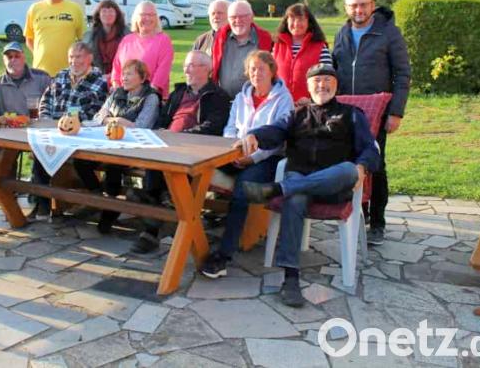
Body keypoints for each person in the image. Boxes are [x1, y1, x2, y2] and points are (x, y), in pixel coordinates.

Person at [238, 64, 380, 307]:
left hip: (334, 184)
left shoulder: (352, 114)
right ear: (308, 86)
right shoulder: (296, 114)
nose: (322, 85)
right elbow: (275, 131)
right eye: (316, 81)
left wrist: (362, 166)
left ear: (336, 85)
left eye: (327, 80)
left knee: (347, 169)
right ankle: (290, 280)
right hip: (298, 178)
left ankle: (278, 189)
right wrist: (255, 135)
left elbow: (370, 149)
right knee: (295, 198)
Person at [200, 51, 294, 278]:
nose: (256, 73)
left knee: (241, 192)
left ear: (272, 71)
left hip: (267, 158)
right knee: (197, 168)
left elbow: (277, 138)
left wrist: (251, 157)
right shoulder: (242, 97)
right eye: (252, 69)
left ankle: (223, 255)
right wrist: (232, 152)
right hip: (234, 152)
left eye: (262, 68)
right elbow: (230, 128)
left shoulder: (283, 99)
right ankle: (191, 230)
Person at [129, 50, 230, 254]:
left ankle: (151, 223)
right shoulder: (178, 93)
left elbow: (212, 127)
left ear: (206, 69)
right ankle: (161, 203)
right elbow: (163, 120)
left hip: (194, 151)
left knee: (160, 166)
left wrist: (179, 136)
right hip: (167, 146)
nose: (186, 70)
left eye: (191, 65)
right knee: (154, 160)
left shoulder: (217, 96)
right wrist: (160, 132)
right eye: (185, 66)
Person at [332, 0, 411, 246]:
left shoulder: (388, 33)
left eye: (363, 5)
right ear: (346, 8)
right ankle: (358, 217)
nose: (359, 10)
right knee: (351, 164)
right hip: (349, 114)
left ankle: (377, 222)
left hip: (377, 113)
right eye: (353, 6)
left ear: (372, 5)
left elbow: (402, 74)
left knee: (376, 166)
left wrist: (396, 112)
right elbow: (335, 72)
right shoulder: (342, 34)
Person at [78, 59, 160, 233]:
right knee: (80, 160)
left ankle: (109, 211)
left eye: (129, 74)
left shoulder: (150, 97)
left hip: (135, 147)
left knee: (113, 167)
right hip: (108, 142)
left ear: (142, 77)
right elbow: (98, 117)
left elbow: (142, 126)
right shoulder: (116, 93)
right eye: (123, 74)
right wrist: (117, 120)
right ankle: (98, 197)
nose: (124, 77)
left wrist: (116, 120)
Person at [32, 41, 108, 218]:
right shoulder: (61, 75)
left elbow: (95, 112)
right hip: (53, 129)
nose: (74, 61)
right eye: (71, 57)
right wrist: (46, 118)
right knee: (38, 150)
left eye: (79, 57)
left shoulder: (98, 80)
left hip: (80, 134)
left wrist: (70, 122)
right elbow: (46, 99)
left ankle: (93, 196)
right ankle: (42, 203)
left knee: (79, 159)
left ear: (89, 58)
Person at [24, 0, 87, 77]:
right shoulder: (34, 9)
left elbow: (83, 40)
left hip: (68, 72)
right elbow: (29, 39)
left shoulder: (74, 9)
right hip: (40, 73)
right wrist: (40, 54)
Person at [211, 0, 272, 99]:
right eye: (233, 17)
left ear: (252, 17)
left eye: (243, 16)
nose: (238, 20)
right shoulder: (220, 39)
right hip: (222, 102)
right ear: (228, 19)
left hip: (253, 102)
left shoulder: (265, 40)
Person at [111, 1, 174, 98]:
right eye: (143, 14)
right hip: (122, 97)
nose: (147, 18)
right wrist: (118, 90)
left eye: (151, 15)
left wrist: (145, 97)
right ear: (136, 17)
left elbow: (162, 72)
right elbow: (116, 68)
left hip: (150, 98)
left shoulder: (163, 40)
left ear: (156, 18)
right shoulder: (127, 40)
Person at [273, 3, 333, 102]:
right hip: (280, 106)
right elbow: (270, 77)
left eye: (301, 19)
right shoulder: (277, 46)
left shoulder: (320, 48)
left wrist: (312, 100)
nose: (296, 24)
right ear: (286, 21)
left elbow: (328, 81)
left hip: (309, 108)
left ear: (308, 22)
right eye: (292, 19)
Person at [0, 42, 51, 118]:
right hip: (9, 128)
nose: (13, 60)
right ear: (4, 61)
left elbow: (53, 108)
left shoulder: (43, 78)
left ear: (24, 58)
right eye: (9, 57)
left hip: (38, 128)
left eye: (17, 56)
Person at [82, 0, 130, 82]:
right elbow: (85, 60)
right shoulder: (89, 35)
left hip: (122, 78)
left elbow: (131, 59)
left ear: (117, 14)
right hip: (96, 78)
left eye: (111, 11)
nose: (107, 14)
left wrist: (113, 75)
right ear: (98, 15)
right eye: (104, 11)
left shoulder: (127, 34)